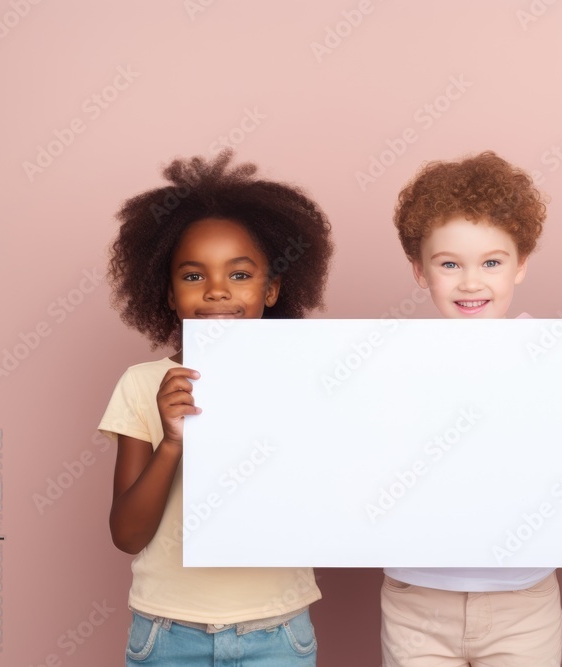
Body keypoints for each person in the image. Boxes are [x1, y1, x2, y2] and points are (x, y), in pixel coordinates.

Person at [100, 150, 334, 666]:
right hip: (167, 633)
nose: (217, 291)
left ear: (272, 289)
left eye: (240, 274)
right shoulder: (142, 385)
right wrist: (172, 441)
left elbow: (331, 503)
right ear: (167, 293)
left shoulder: (306, 381)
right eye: (193, 276)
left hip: (277, 632)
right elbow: (127, 535)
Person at [383, 151, 562, 667]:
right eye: (449, 264)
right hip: (416, 597)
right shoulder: (393, 361)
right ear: (420, 271)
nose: (470, 282)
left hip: (523, 598)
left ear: (521, 264)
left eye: (492, 262)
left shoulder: (551, 354)